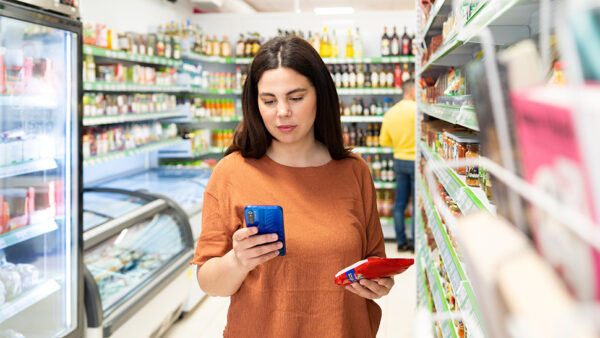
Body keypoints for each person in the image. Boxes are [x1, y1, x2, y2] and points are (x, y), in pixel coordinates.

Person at [190, 36, 395, 337]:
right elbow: (208, 281)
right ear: (255, 102)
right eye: (269, 100)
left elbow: (374, 264)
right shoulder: (231, 172)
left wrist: (378, 283)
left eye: (296, 98)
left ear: (320, 96)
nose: (282, 111)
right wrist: (237, 260)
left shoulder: (355, 172)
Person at [379, 81, 416, 252]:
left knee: (399, 202)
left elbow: (383, 141)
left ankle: (401, 242)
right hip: (415, 160)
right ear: (413, 91)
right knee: (416, 203)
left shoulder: (391, 113)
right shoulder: (417, 110)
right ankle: (415, 242)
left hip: (399, 159)